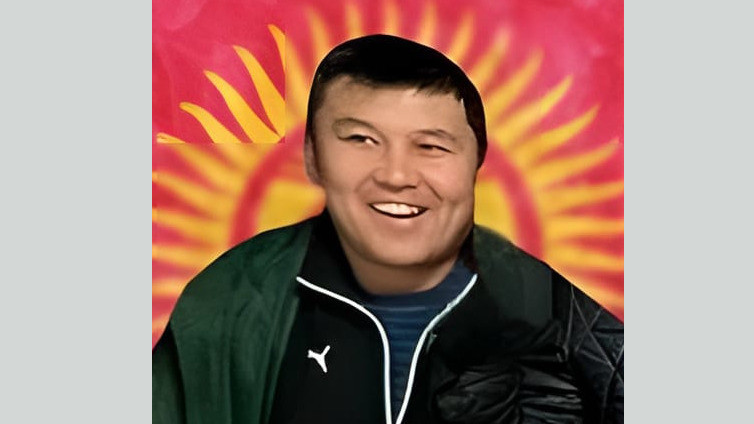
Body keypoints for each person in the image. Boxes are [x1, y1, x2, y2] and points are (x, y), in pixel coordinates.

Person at [152, 34, 624, 424]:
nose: (397, 175)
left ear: (477, 161)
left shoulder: (556, 309)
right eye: (361, 139)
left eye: (432, 146)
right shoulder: (228, 300)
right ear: (313, 156)